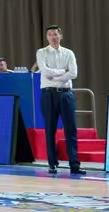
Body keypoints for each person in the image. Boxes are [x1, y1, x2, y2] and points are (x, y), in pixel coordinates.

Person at [37, 26, 83, 176]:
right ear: (47, 37)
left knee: (71, 129)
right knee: (50, 129)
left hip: (65, 94)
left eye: (55, 34)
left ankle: (74, 164)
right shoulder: (42, 52)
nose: (53, 37)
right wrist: (63, 72)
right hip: (48, 94)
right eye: (50, 35)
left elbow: (74, 73)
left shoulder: (68, 53)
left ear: (60, 36)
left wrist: (55, 75)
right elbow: (45, 71)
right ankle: (52, 164)